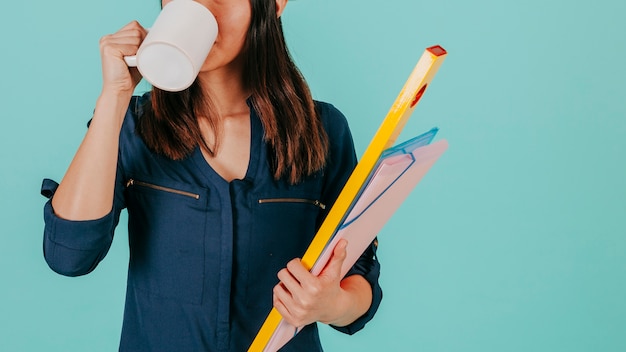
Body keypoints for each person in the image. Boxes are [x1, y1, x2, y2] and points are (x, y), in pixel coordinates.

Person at [41, 0, 382, 350]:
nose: (198, 6)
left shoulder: (323, 131)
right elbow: (69, 254)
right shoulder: (134, 126)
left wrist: (332, 305)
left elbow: (359, 276)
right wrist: (114, 98)